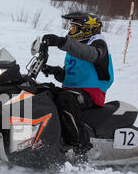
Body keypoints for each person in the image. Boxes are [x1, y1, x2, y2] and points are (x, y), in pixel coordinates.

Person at [41, 12, 114, 155]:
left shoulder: (98, 44)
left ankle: (80, 144)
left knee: (65, 99)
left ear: (87, 29)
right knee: (45, 94)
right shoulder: (75, 49)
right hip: (74, 91)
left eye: (74, 28)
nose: (71, 31)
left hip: (92, 94)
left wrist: (62, 42)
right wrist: (56, 71)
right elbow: (74, 75)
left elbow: (92, 55)